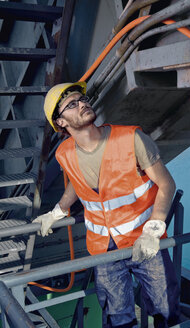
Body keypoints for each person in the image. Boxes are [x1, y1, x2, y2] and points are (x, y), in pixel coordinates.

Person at [33, 81, 180, 328]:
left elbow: (167, 184)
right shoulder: (64, 153)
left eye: (83, 100)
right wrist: (57, 211)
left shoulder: (132, 139)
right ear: (61, 122)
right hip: (103, 250)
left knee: (166, 310)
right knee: (116, 317)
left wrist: (153, 232)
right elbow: (77, 184)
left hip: (144, 243)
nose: (82, 104)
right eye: (72, 104)